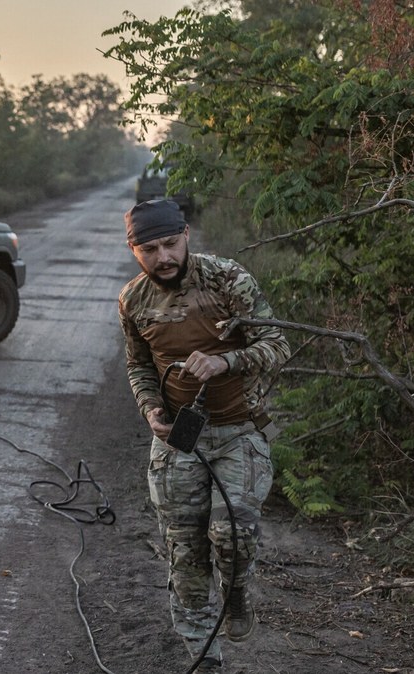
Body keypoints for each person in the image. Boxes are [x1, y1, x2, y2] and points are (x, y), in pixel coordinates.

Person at [117, 199, 290, 672]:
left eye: (170, 244)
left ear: (186, 234)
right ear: (134, 250)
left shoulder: (228, 279)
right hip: (178, 439)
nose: (163, 257)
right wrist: (151, 408)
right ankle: (205, 658)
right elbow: (137, 364)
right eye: (148, 249)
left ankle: (235, 592)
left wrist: (226, 361)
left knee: (233, 535)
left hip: (238, 431)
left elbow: (277, 342)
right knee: (186, 552)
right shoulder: (133, 300)